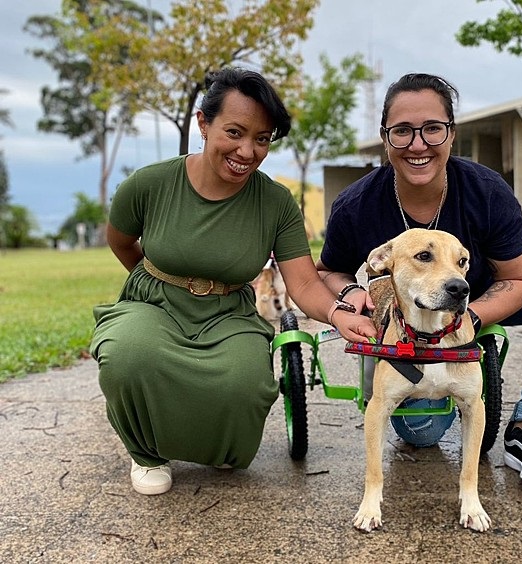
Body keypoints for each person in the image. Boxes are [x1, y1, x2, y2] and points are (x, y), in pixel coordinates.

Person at [317, 72, 522, 489]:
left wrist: (465, 319)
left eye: (432, 129)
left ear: (451, 134)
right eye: (402, 131)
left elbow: (518, 276)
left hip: (491, 284)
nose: (418, 145)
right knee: (421, 433)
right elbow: (329, 270)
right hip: (412, 314)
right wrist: (352, 293)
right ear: (386, 139)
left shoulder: (488, 190)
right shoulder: (355, 205)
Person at [90, 67, 375, 496]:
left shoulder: (275, 202)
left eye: (262, 139)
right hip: (155, 303)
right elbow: (122, 242)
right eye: (235, 132)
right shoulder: (149, 184)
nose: (248, 150)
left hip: (228, 312)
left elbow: (302, 282)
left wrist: (337, 313)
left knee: (245, 383)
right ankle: (147, 452)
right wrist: (156, 282)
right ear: (204, 124)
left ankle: (215, 444)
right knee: (129, 356)